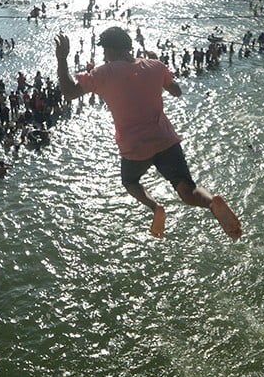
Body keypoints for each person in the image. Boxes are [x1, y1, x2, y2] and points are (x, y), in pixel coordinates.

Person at [54, 28, 242, 240]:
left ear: (111, 50)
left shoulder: (103, 72)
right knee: (187, 189)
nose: (105, 56)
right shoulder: (154, 66)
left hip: (135, 147)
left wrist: (62, 58)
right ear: (129, 47)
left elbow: (69, 93)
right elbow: (177, 91)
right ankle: (211, 202)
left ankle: (155, 207)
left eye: (105, 52)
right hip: (165, 140)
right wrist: (158, 71)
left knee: (130, 182)